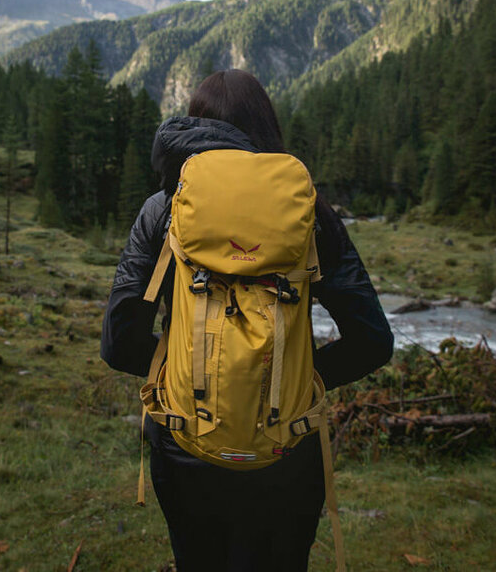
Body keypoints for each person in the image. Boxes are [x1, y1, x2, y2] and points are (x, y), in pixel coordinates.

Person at [101, 69, 394, 572]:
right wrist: (303, 379)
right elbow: (372, 341)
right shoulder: (310, 214)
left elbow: (119, 341)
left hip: (184, 440)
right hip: (287, 447)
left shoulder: (163, 209)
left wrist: (179, 371)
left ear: (195, 125)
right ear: (266, 130)